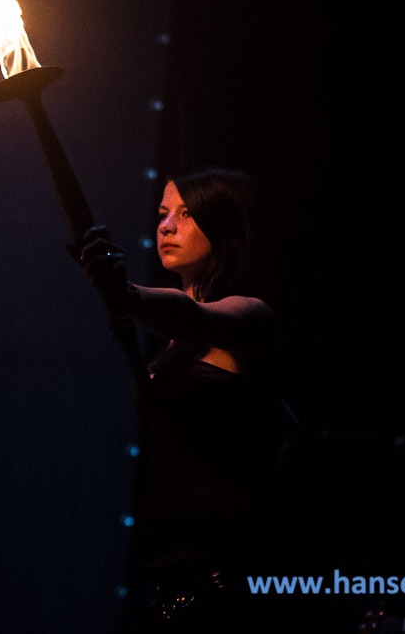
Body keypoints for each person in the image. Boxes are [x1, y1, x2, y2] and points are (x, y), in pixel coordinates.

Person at [76, 168, 294, 632]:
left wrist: (125, 293)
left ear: (225, 227)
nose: (166, 226)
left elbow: (191, 315)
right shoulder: (175, 343)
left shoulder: (250, 316)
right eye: (162, 213)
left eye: (186, 213)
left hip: (228, 568)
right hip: (166, 567)